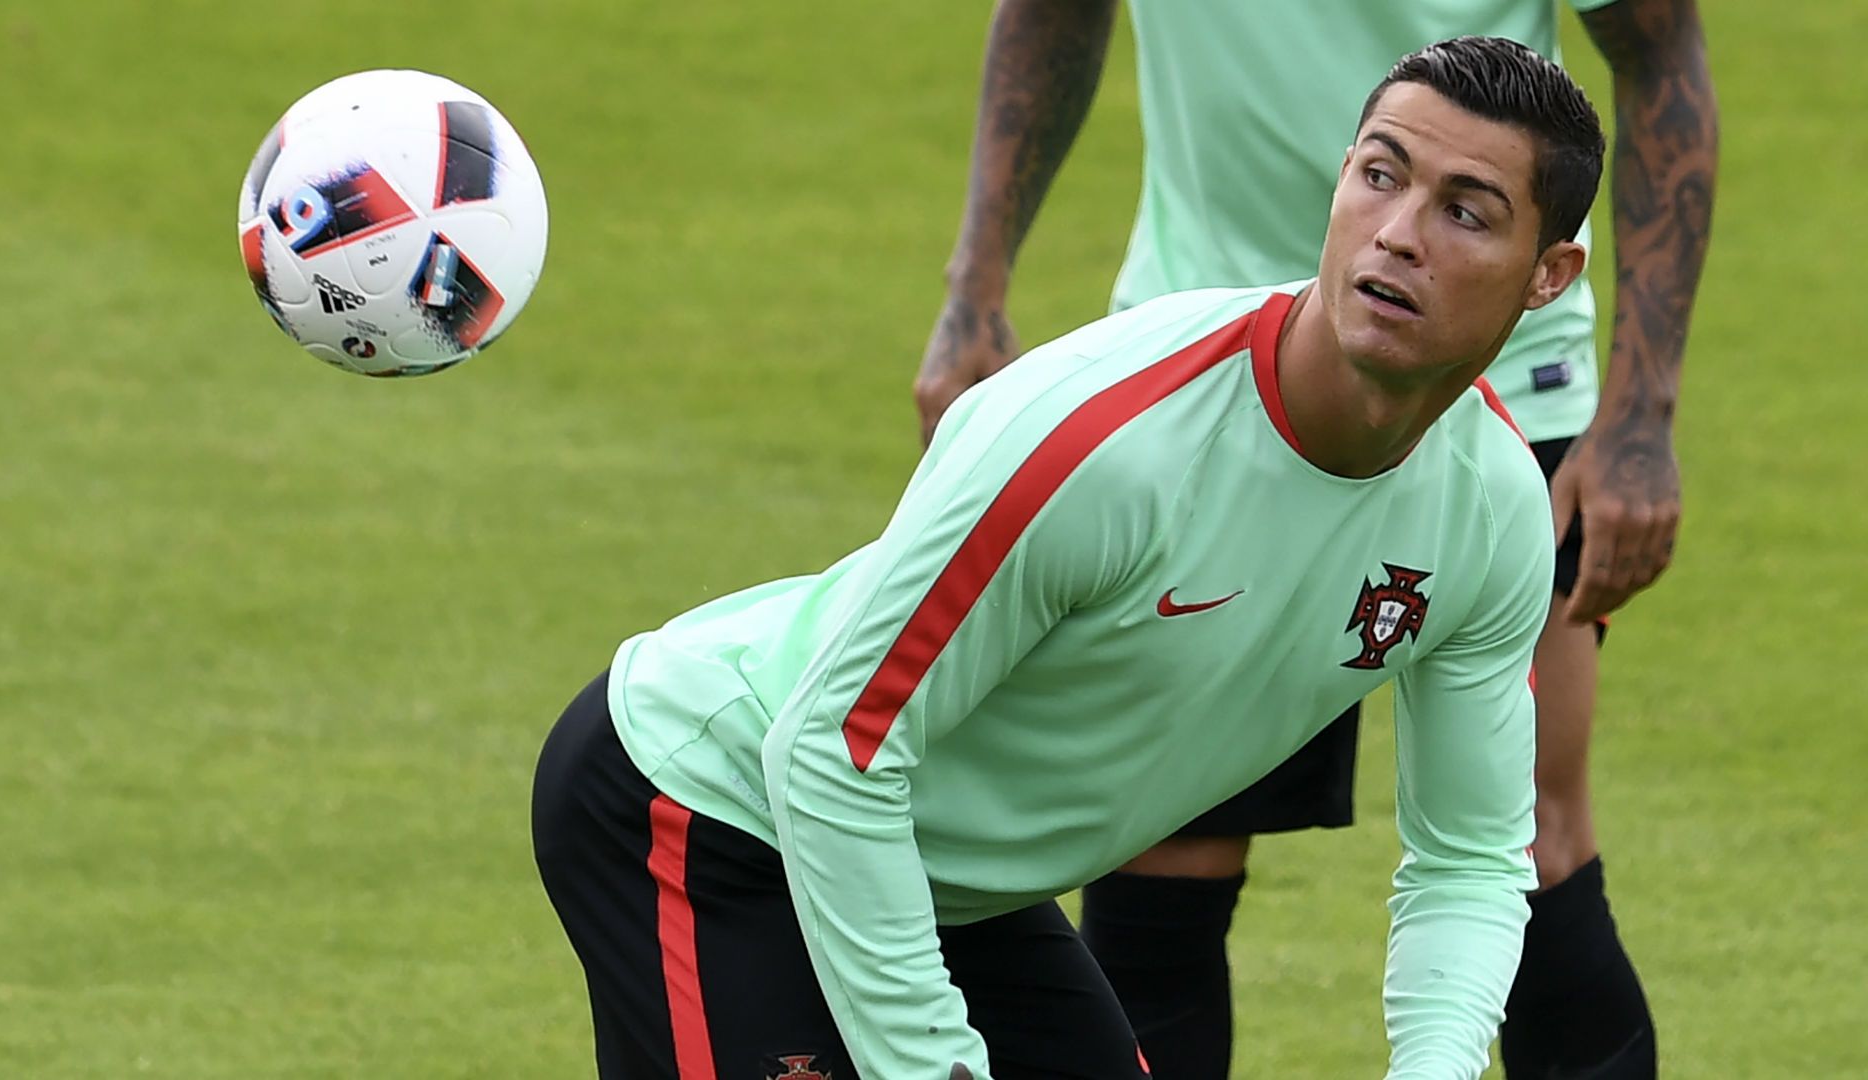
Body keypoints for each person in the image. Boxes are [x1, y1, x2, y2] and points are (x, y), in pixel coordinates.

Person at [535, 37, 1601, 1080]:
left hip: (943, 882)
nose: (1399, 235)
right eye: (1381, 176)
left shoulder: (1495, 511)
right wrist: (932, 1064)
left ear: (1549, 274)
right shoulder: (1106, 446)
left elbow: (1466, 857)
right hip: (710, 808)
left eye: (1466, 212)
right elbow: (832, 747)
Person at [916, 2, 1716, 1076]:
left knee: (1525, 836)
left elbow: (1660, 53)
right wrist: (975, 284)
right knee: (1161, 844)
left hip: (1494, 393)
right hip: (1206, 380)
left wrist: (1640, 413)